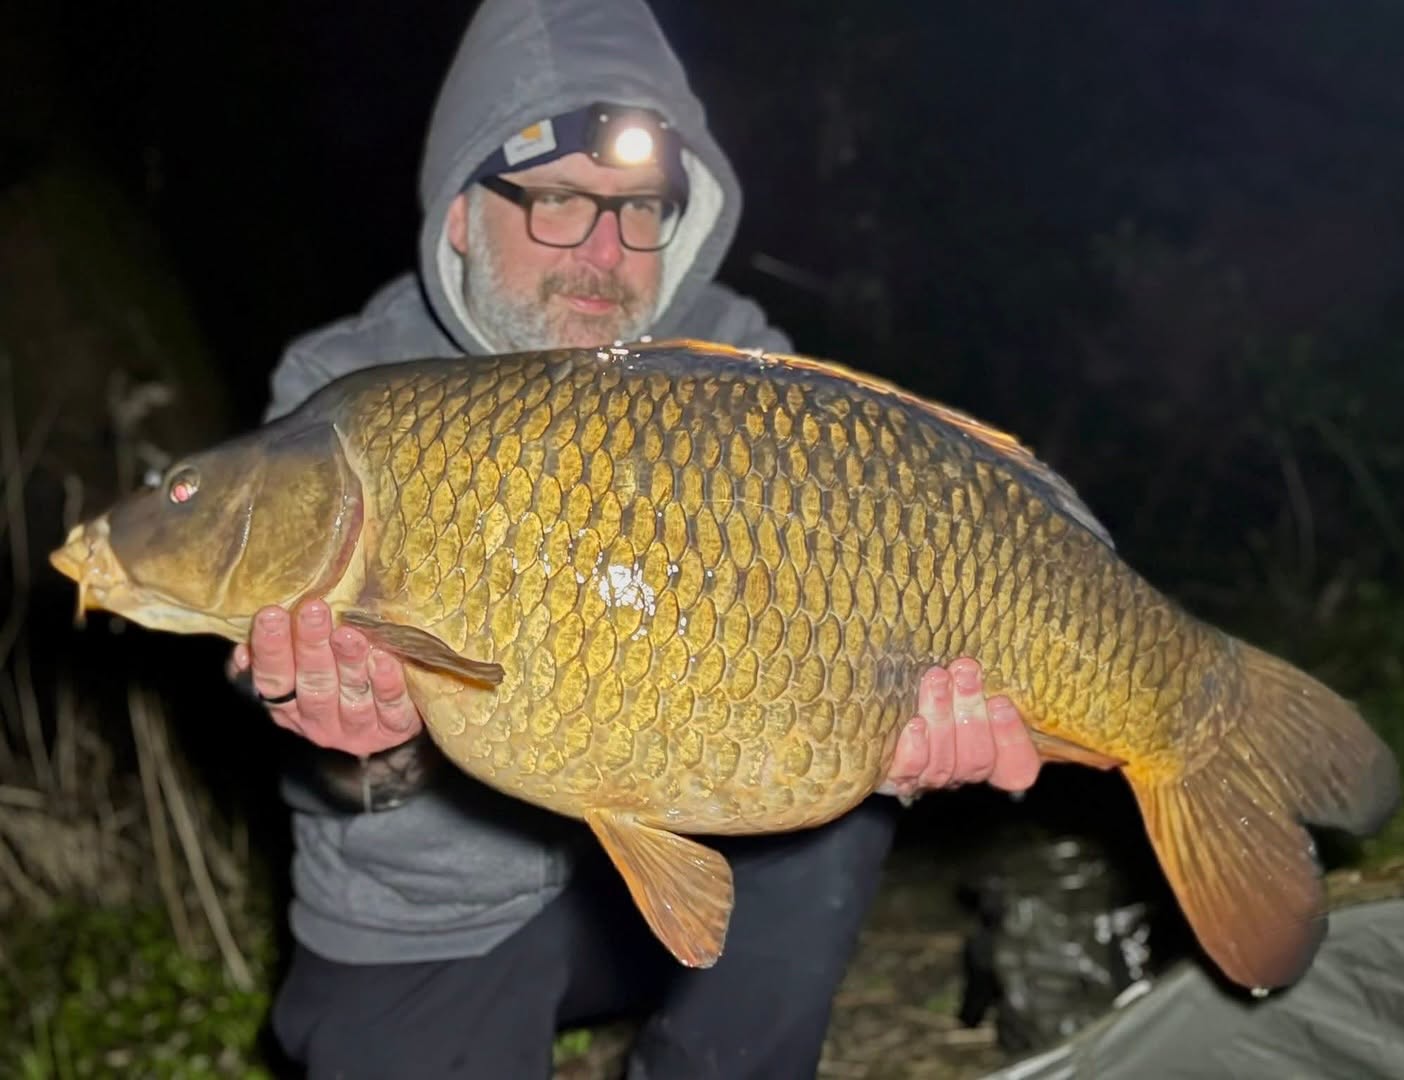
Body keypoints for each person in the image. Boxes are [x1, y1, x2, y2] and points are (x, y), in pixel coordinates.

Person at [227, 0, 1042, 1075]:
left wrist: (905, 735)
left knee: (839, 791)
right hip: (445, 916)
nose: (603, 255)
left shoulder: (741, 364)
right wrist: (369, 747)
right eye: (559, 201)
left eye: (641, 210)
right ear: (463, 215)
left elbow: (860, 618)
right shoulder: (341, 396)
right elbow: (318, 764)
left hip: (692, 870)